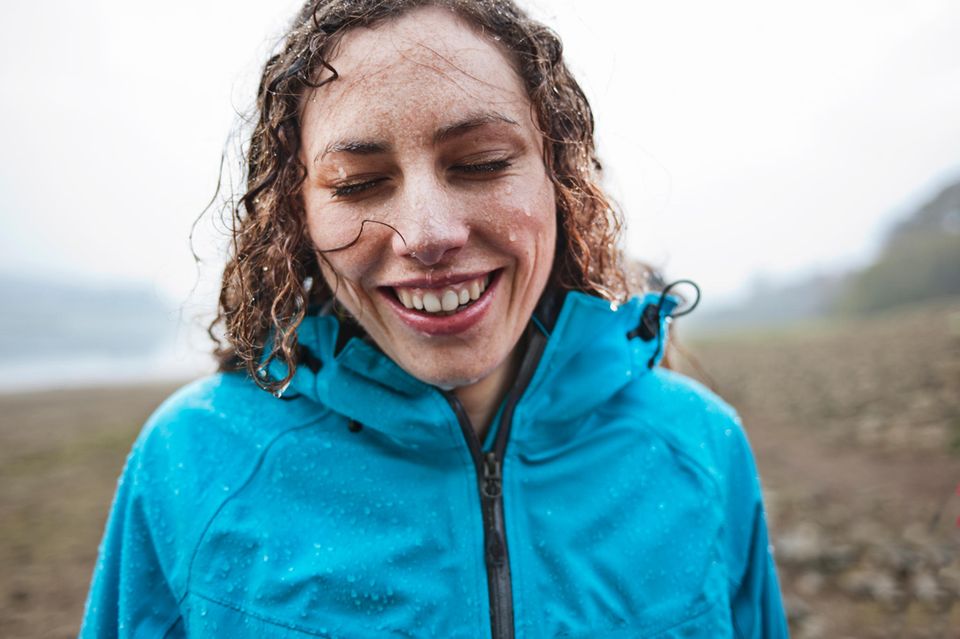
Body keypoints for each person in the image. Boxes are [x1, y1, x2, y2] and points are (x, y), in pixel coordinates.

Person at [81, 0, 789, 637]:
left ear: (559, 177)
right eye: (358, 183)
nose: (426, 233)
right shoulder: (190, 462)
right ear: (297, 214)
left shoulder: (701, 446)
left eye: (480, 163)